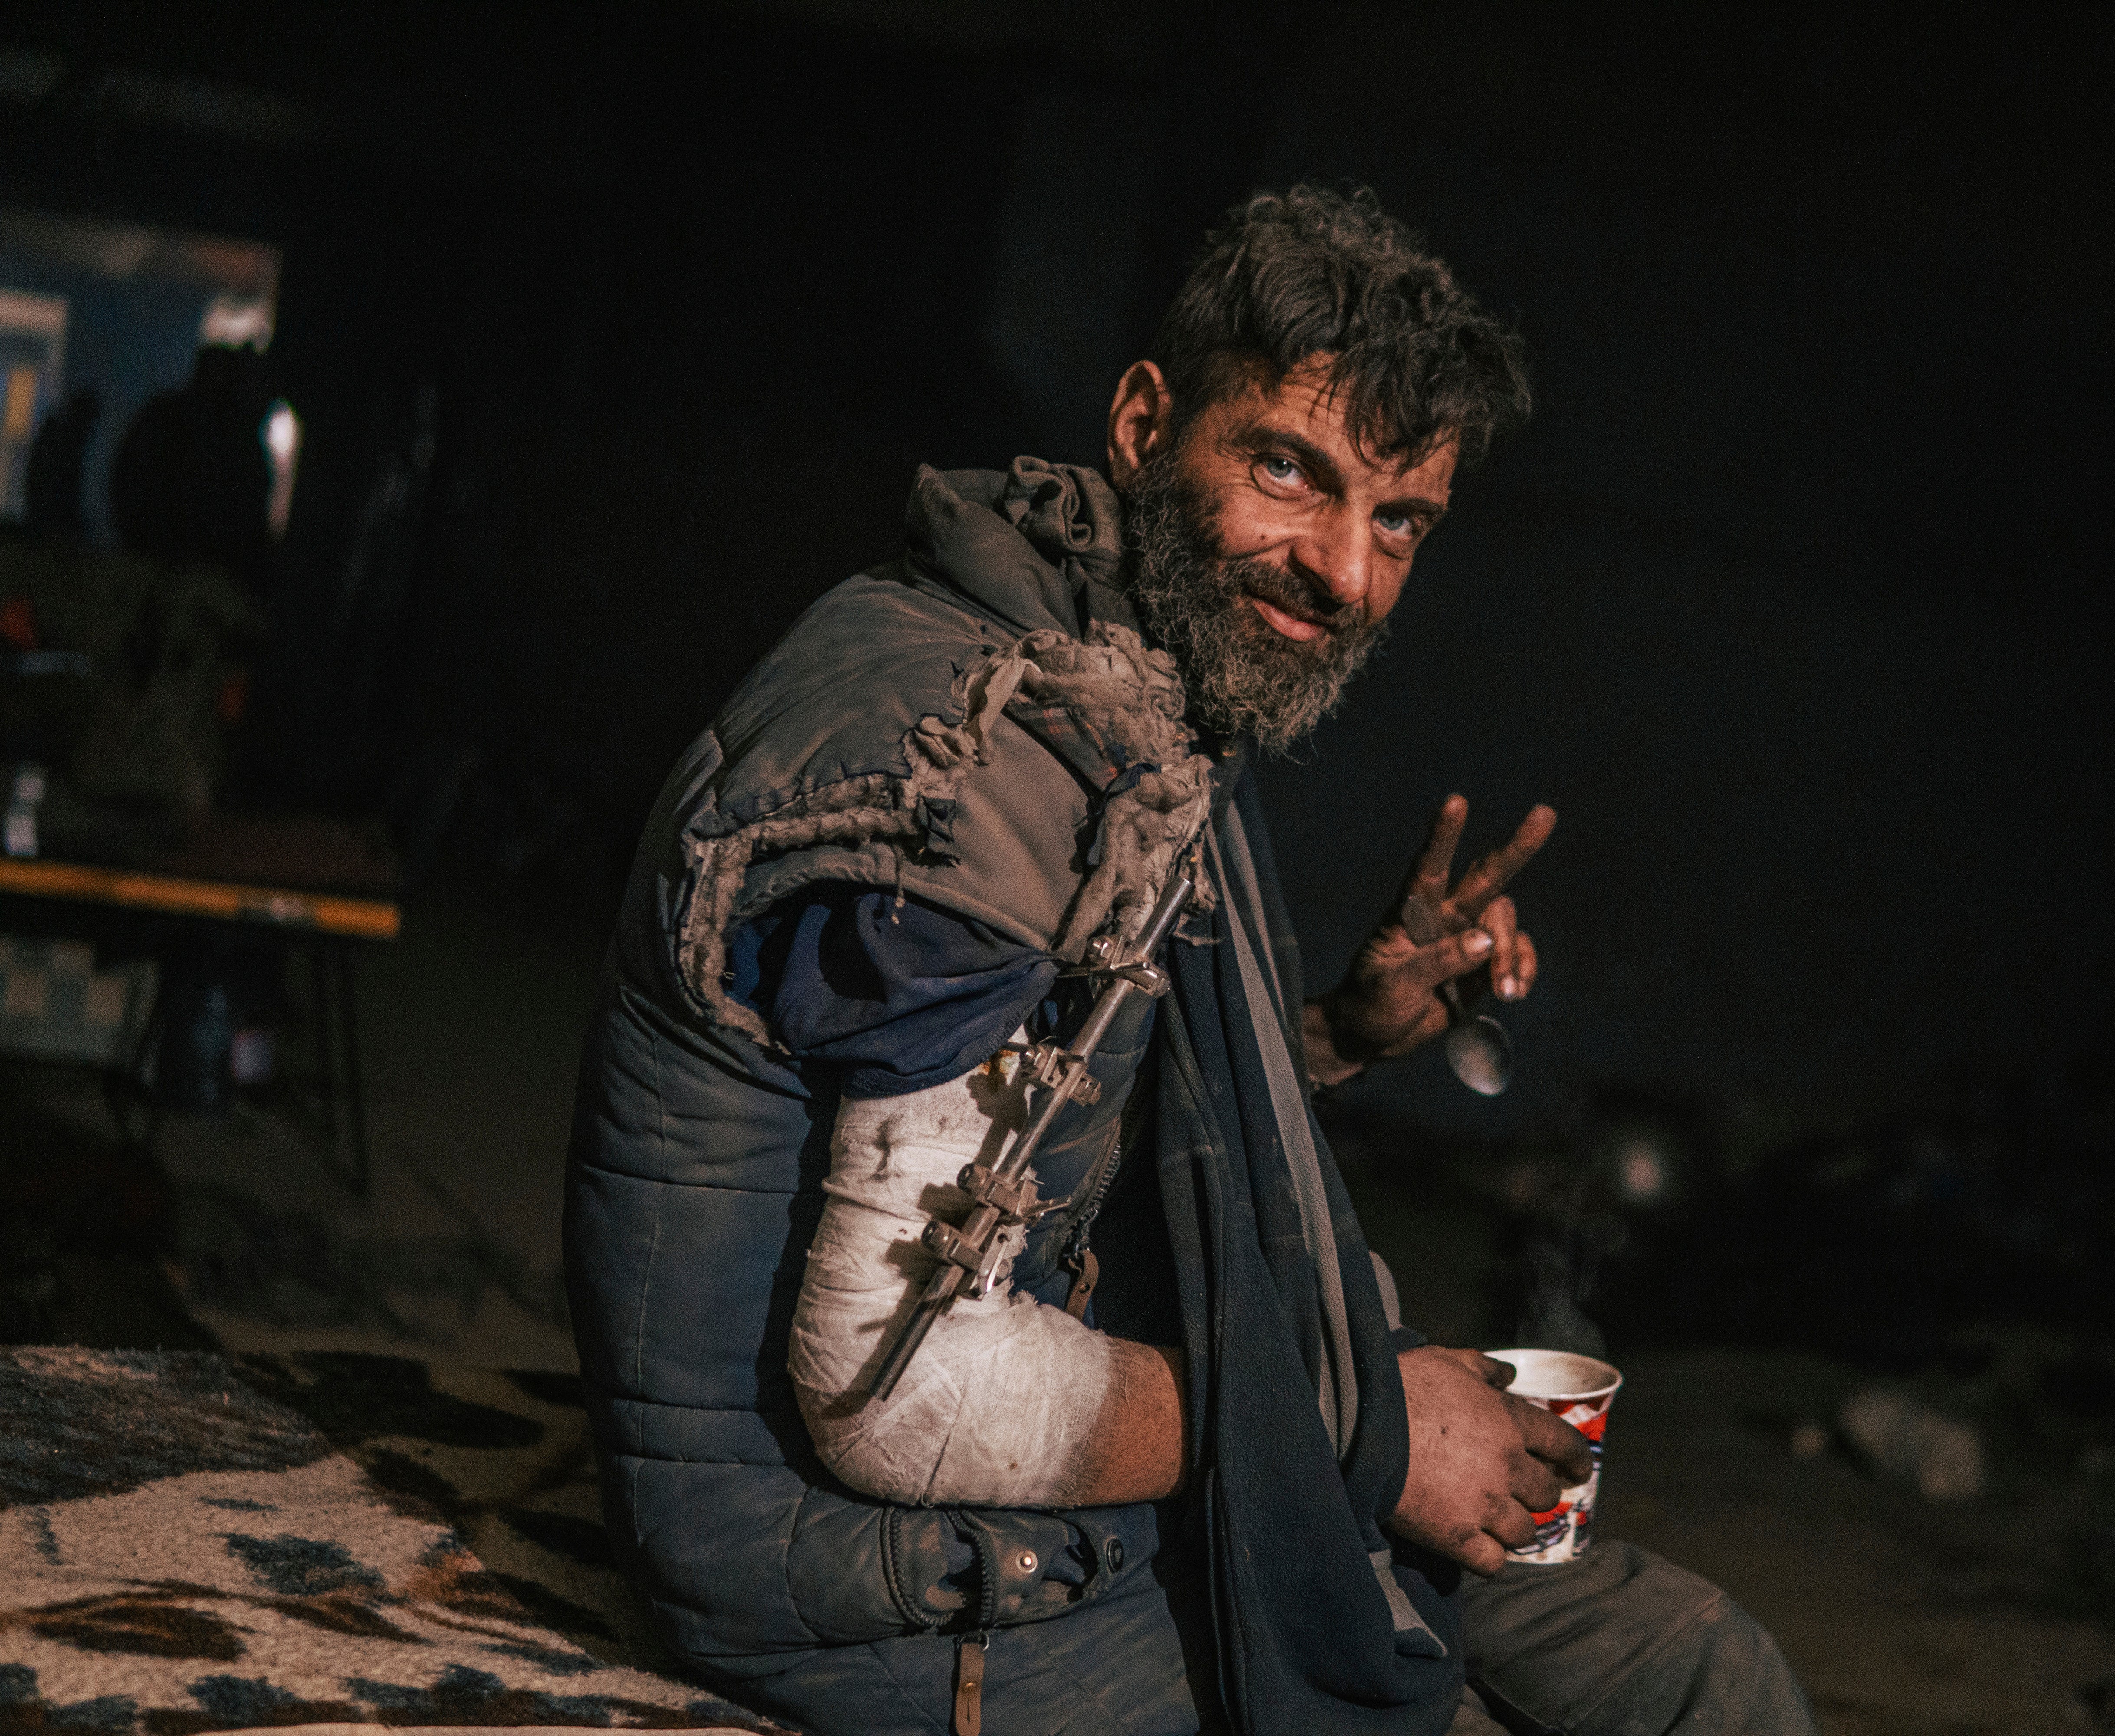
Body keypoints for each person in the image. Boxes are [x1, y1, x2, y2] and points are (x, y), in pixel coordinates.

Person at [565, 184, 1814, 1736]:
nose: (1344, 573)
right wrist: (1360, 1430)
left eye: (1398, 521)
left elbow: (1046, 1105)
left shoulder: (1107, 666)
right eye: (1291, 472)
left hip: (985, 1501)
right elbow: (899, 1395)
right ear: (1147, 424)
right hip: (859, 1573)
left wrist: (1337, 1035)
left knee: (1697, 1661)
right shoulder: (990, 763)